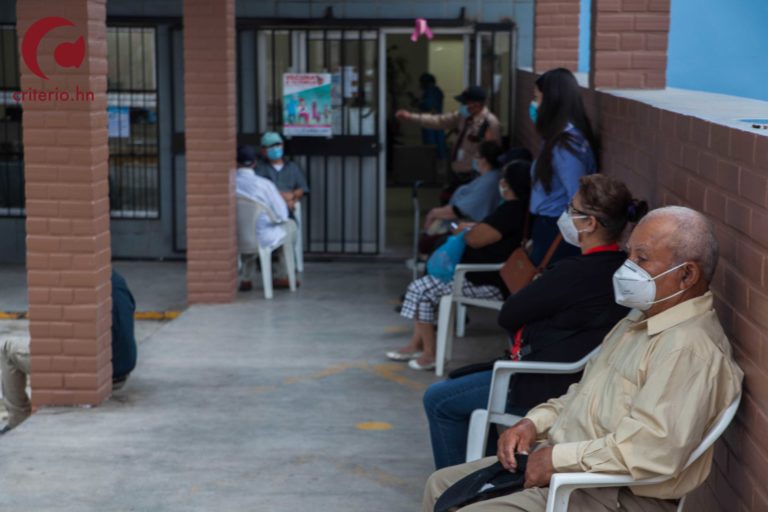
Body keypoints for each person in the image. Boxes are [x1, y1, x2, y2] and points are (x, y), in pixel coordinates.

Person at [423, 206, 744, 512]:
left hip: (612, 493)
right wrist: (533, 423)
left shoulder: (687, 349)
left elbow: (651, 451)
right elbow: (580, 395)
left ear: (686, 275)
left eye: (641, 259)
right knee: (441, 485)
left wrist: (556, 459)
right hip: (570, 468)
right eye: (629, 254)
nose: (627, 267)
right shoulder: (638, 322)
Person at [422, 174, 646, 469]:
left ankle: (460, 492)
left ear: (589, 223)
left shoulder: (574, 273)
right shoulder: (623, 269)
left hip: (544, 384)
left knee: (439, 400)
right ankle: (489, 476)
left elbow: (509, 314)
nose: (565, 215)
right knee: (463, 396)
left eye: (572, 209)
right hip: (580, 379)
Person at [386, 160, 530, 371]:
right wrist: (471, 228)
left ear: (511, 185)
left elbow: (476, 239)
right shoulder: (512, 209)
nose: (501, 183)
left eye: (504, 180)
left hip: (486, 282)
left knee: (420, 288)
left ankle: (429, 353)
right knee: (423, 289)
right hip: (476, 276)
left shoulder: (511, 212)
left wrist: (464, 231)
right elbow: (485, 229)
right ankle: (422, 348)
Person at [1, 270, 138, 434]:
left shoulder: (81, 288)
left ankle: (17, 421)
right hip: (123, 369)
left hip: (98, 377)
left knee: (6, 348)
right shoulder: (116, 279)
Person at [528, 68, 598, 268]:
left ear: (552, 101)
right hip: (549, 224)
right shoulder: (558, 138)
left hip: (556, 229)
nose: (534, 105)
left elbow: (576, 196)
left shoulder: (566, 144)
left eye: (537, 98)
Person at [396, 85, 501, 195]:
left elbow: (492, 155)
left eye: (466, 103)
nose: (463, 106)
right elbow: (439, 121)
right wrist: (411, 117)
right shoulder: (464, 115)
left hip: (473, 176)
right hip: (457, 172)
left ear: (476, 104)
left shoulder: (489, 123)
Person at [420, 141, 504, 254]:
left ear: (484, 159)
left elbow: (459, 210)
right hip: (463, 222)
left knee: (430, 242)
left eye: (476, 156)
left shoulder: (489, 182)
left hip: (467, 224)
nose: (474, 159)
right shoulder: (486, 177)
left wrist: (433, 213)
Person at [236, 144, 298, 291]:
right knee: (289, 226)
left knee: (247, 231)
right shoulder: (264, 185)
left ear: (236, 162)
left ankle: (246, 277)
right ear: (255, 163)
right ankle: (282, 275)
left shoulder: (228, 183)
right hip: (262, 238)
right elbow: (281, 214)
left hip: (235, 237)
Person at [254, 132, 309, 212]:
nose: (275, 148)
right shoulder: (259, 168)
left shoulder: (292, 167)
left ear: (282, 146)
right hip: (266, 209)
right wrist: (279, 198)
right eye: (271, 146)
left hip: (289, 209)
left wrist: (292, 196)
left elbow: (303, 188)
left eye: (278, 145)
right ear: (263, 150)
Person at [414, 73, 447, 159]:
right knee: (439, 146)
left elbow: (428, 105)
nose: (420, 85)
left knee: (430, 148)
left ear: (425, 82)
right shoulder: (438, 91)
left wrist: (418, 103)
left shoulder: (430, 91)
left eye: (421, 83)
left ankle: (432, 168)